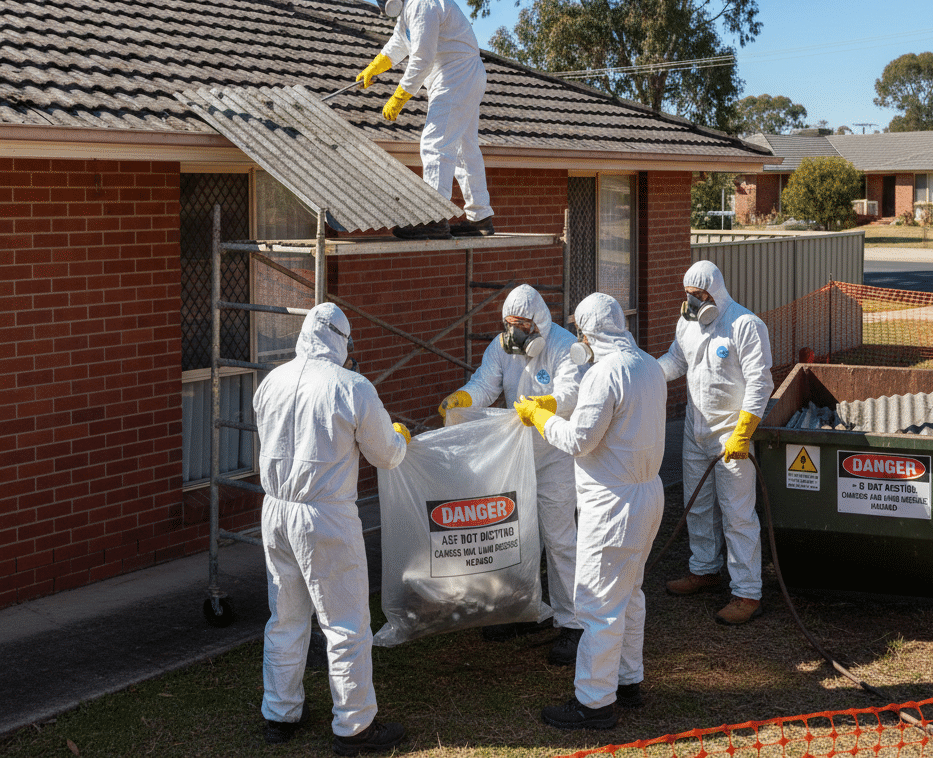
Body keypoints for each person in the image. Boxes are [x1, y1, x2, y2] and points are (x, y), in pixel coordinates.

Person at [253, 302, 410, 755]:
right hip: (326, 514)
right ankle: (354, 726)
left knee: (285, 616)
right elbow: (386, 454)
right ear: (341, 341)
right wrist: (398, 437)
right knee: (344, 622)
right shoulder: (352, 387)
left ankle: (280, 713)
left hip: (276, 510)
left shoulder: (271, 381)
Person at [517, 292, 666, 730]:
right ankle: (627, 680)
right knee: (629, 594)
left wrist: (542, 419)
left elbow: (580, 441)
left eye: (580, 332)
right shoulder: (648, 365)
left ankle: (593, 703)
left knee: (599, 605)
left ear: (588, 332)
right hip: (647, 494)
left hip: (612, 504)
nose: (579, 340)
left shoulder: (604, 374)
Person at [437, 284, 585, 665]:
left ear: (539, 323)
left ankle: (574, 623)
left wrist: (548, 403)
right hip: (517, 458)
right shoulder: (501, 349)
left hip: (554, 458)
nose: (514, 332)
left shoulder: (563, 346)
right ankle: (525, 609)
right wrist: (463, 399)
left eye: (521, 325)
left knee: (559, 540)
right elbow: (484, 384)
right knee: (517, 539)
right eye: (509, 324)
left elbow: (573, 391)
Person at [658, 260, 774, 626]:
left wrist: (744, 431)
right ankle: (704, 569)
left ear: (715, 294)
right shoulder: (687, 324)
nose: (692, 301)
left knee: (737, 515)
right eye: (688, 294)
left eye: (698, 295)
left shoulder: (745, 325)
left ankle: (747, 592)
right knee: (697, 506)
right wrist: (644, 373)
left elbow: (760, 382)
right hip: (696, 430)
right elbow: (675, 362)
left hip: (731, 434)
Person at [358, 0, 495, 240]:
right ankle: (480, 217)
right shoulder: (410, 2)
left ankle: (433, 218)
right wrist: (376, 65)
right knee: (463, 148)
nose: (382, 1)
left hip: (456, 75)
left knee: (435, 144)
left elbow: (422, 58)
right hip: (462, 75)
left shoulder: (423, 1)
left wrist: (399, 96)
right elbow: (401, 42)